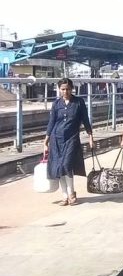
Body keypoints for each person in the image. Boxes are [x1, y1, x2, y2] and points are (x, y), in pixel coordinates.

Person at [44, 78, 94, 206]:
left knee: (67, 165)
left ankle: (72, 193)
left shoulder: (78, 102)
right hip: (56, 139)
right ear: (59, 90)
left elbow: (85, 119)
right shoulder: (56, 104)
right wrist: (46, 141)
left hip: (72, 138)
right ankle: (64, 196)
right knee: (59, 167)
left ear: (72, 89)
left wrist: (90, 137)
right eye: (63, 89)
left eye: (68, 89)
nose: (65, 91)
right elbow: (52, 122)